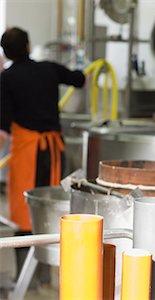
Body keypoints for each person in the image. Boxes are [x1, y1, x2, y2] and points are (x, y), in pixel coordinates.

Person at [0, 27, 85, 232]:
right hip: (53, 150)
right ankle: (51, 243)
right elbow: (79, 79)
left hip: (26, 152)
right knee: (51, 199)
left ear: (5, 53)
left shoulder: (7, 79)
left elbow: (3, 126)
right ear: (28, 46)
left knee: (25, 202)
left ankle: (26, 247)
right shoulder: (49, 69)